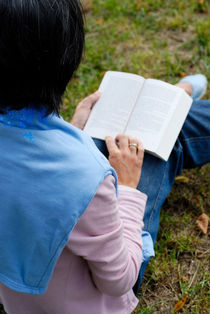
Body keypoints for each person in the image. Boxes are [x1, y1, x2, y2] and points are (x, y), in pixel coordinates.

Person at [0, 1, 209, 314]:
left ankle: (175, 99)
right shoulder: (87, 176)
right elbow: (119, 279)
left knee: (116, 137)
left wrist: (71, 131)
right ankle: (174, 99)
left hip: (22, 294)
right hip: (87, 303)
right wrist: (126, 187)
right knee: (154, 146)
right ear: (64, 58)